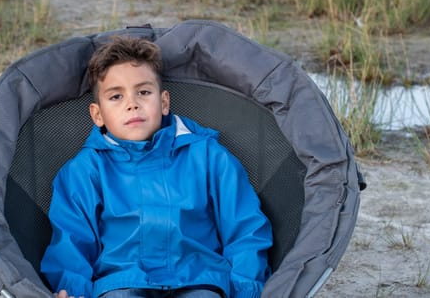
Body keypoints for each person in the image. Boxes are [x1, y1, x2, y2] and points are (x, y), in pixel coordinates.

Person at [40, 35, 273, 298]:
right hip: (120, 283)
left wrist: (245, 289)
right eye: (116, 96)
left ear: (163, 102)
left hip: (199, 279)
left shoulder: (208, 156)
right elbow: (71, 240)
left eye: (143, 92)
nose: (132, 103)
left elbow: (245, 227)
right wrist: (73, 291)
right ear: (97, 114)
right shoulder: (84, 171)